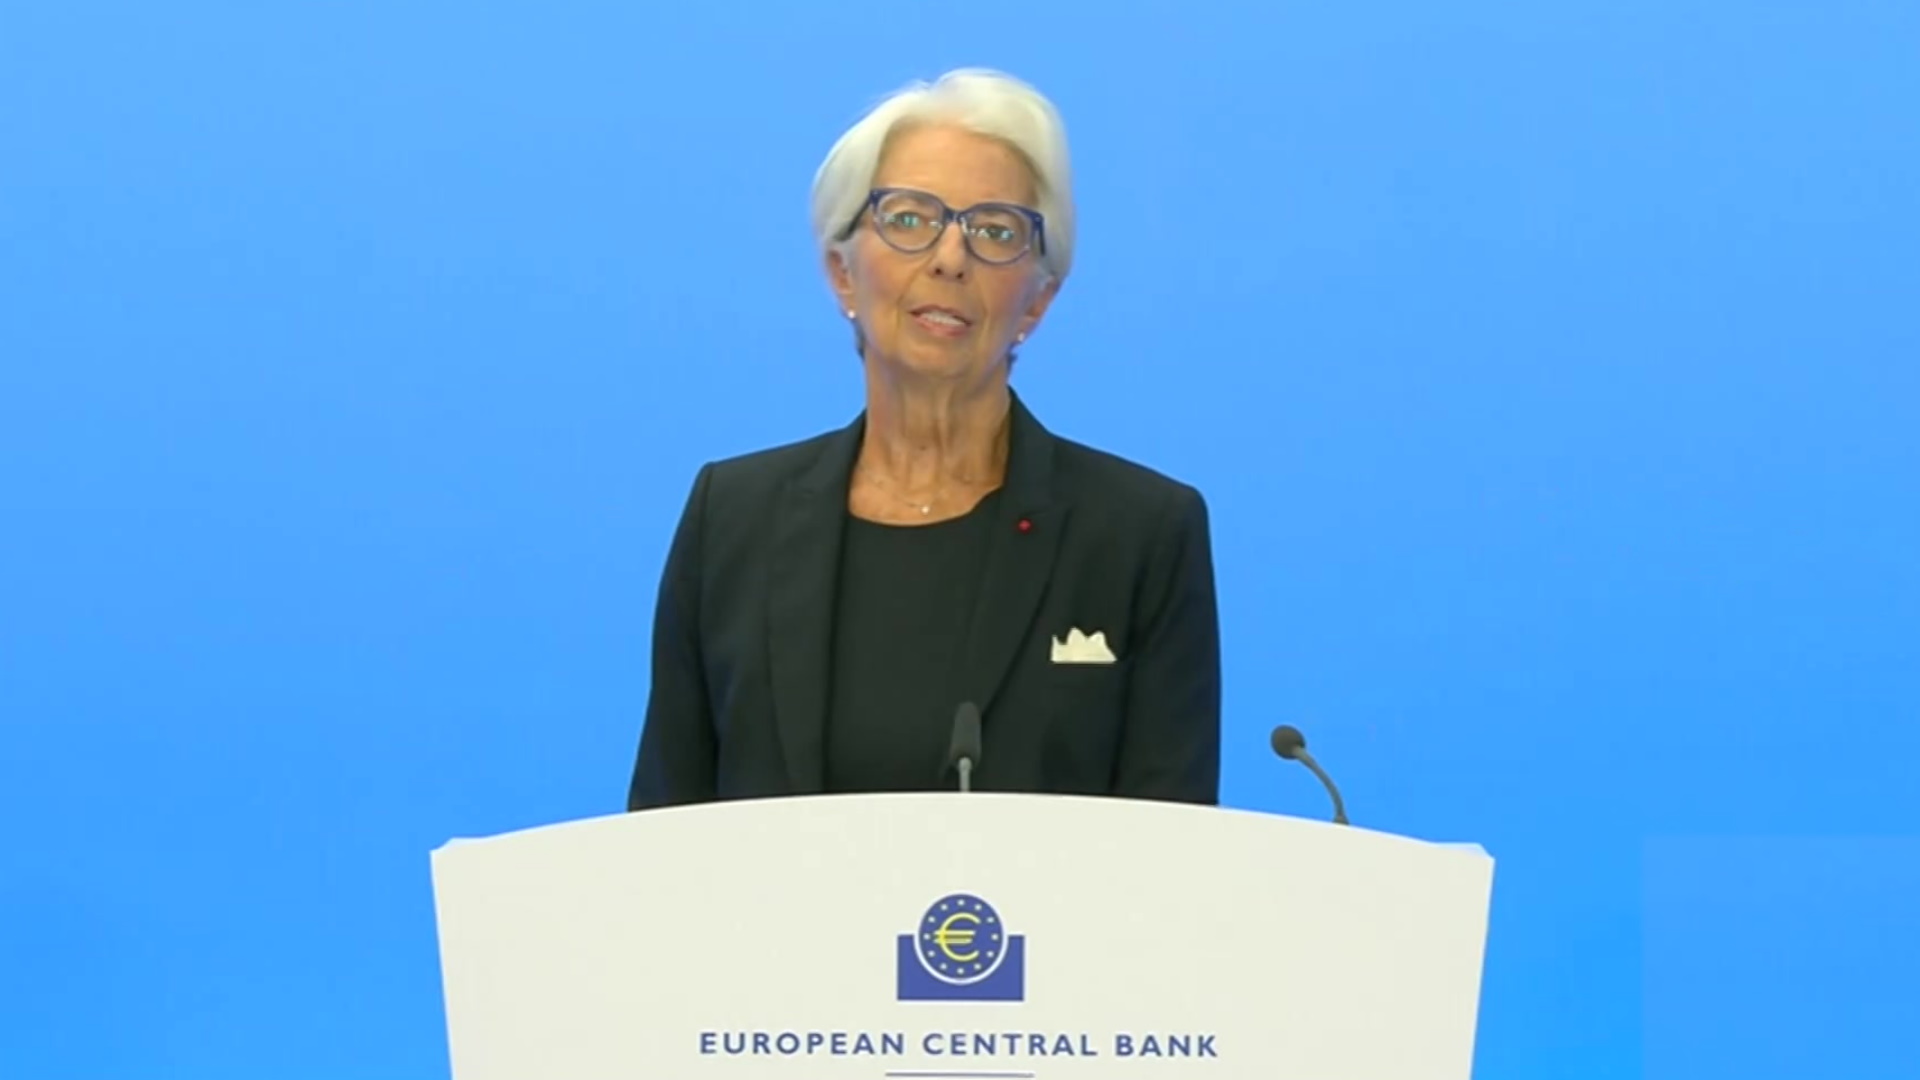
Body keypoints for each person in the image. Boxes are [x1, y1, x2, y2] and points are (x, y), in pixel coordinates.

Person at [626, 69, 1220, 810]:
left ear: (1037, 300)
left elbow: (1173, 852)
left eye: (995, 231)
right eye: (909, 219)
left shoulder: (1138, 535)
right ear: (842, 274)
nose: (950, 257)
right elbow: (660, 835)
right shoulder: (732, 520)